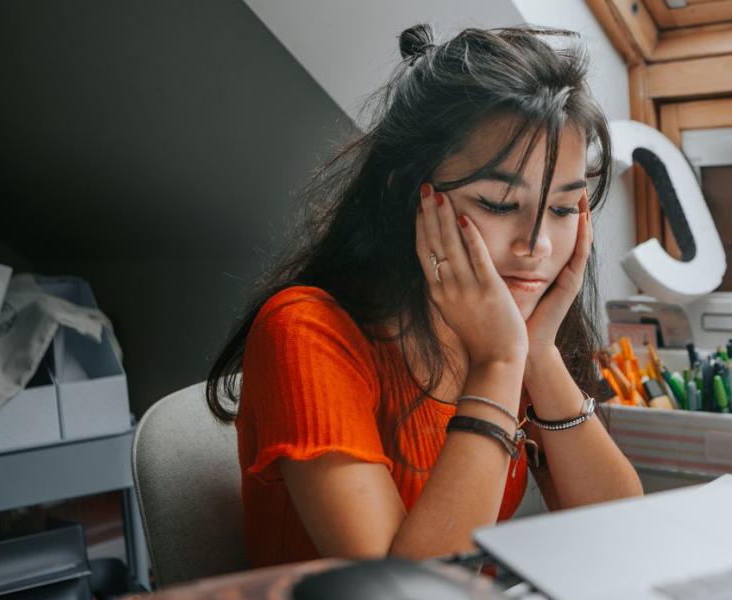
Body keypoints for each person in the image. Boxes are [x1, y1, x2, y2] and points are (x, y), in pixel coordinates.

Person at [205, 23, 643, 567]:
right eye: (501, 205)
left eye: (561, 210)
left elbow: (620, 538)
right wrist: (500, 361)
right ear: (409, 196)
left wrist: (538, 354)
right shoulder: (305, 331)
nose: (535, 246)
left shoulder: (509, 330)